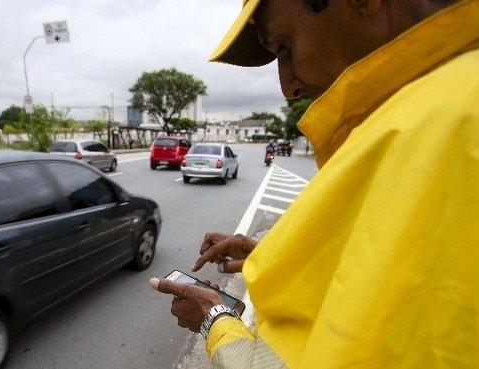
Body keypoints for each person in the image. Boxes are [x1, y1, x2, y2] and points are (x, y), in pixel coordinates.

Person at [150, 0, 478, 368]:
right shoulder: (439, 109)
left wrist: (213, 318)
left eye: (285, 47)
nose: (288, 86)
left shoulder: (438, 129)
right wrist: (273, 255)